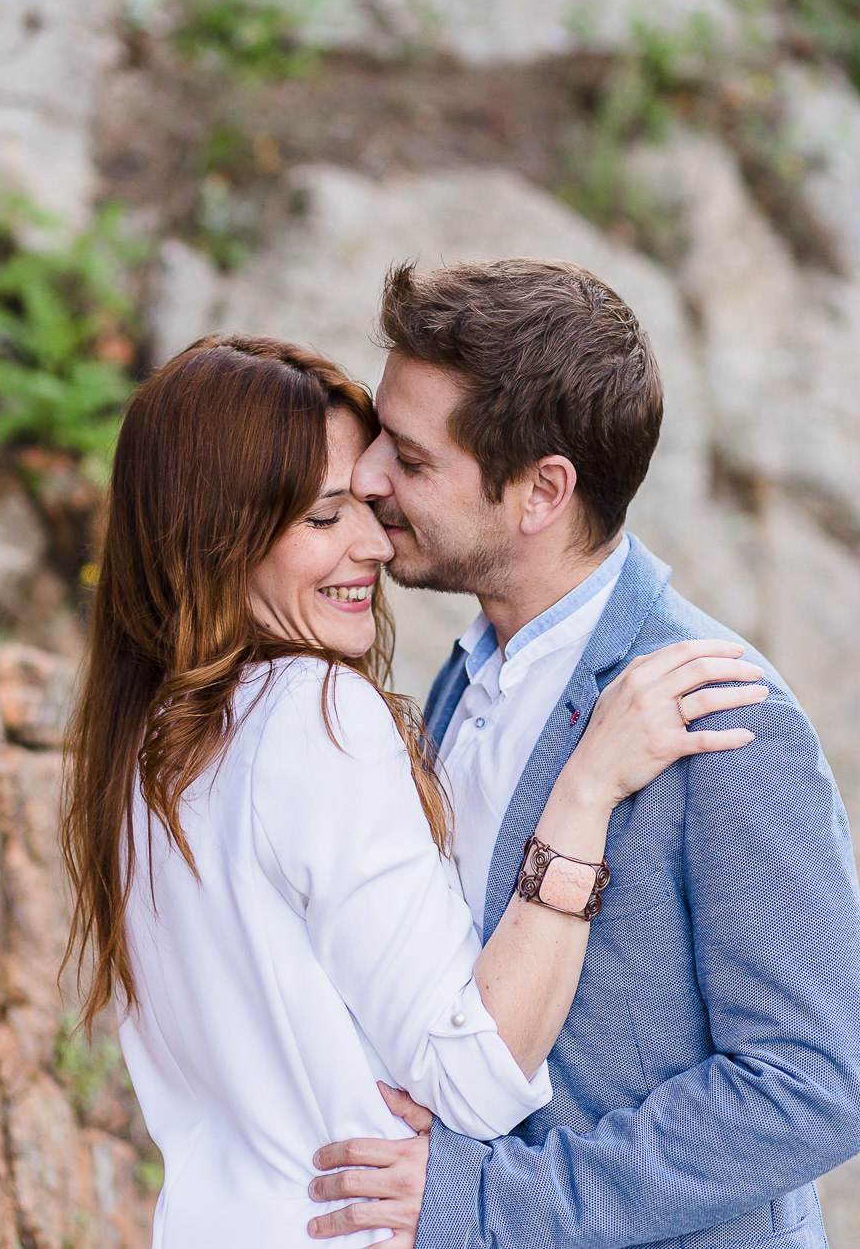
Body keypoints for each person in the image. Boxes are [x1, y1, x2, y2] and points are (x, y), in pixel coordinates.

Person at [62, 334, 765, 1245]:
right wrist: (584, 790)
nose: (370, 540)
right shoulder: (315, 716)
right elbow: (470, 1081)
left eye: (364, 499)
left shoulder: (150, 740)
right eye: (323, 519)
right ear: (217, 538)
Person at [305, 258, 860, 1249]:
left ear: (540, 491)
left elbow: (813, 1087)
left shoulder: (725, 719)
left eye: (412, 457)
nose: (367, 476)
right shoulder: (465, 674)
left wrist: (489, 1199)